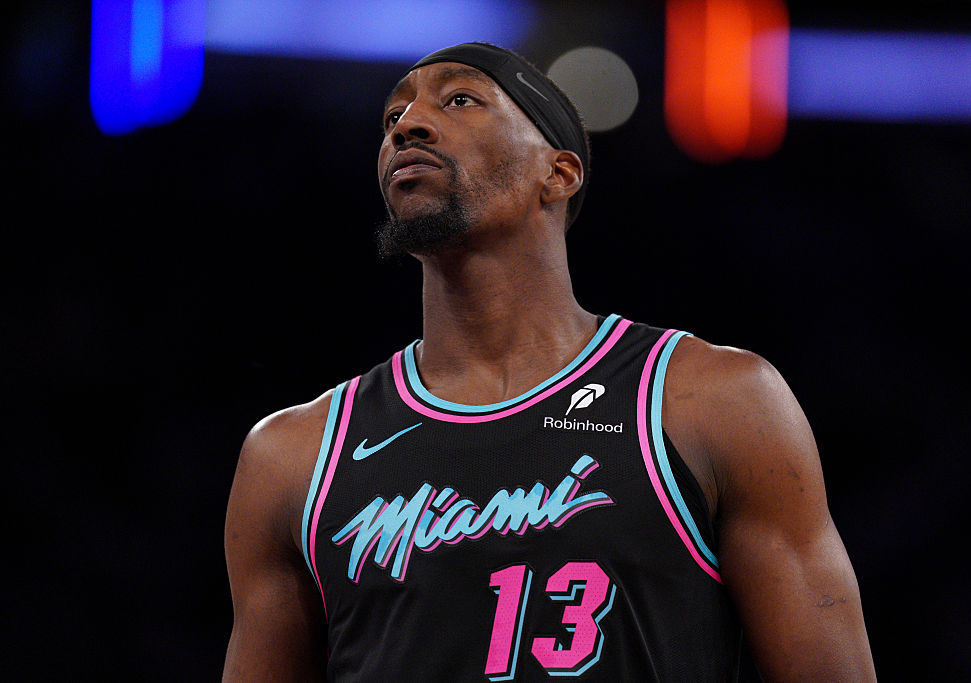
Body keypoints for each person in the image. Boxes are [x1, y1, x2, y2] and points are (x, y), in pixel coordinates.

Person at [223, 42, 876, 681]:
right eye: (394, 116)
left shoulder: (714, 400)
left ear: (558, 173)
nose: (408, 125)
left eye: (459, 100)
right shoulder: (293, 454)